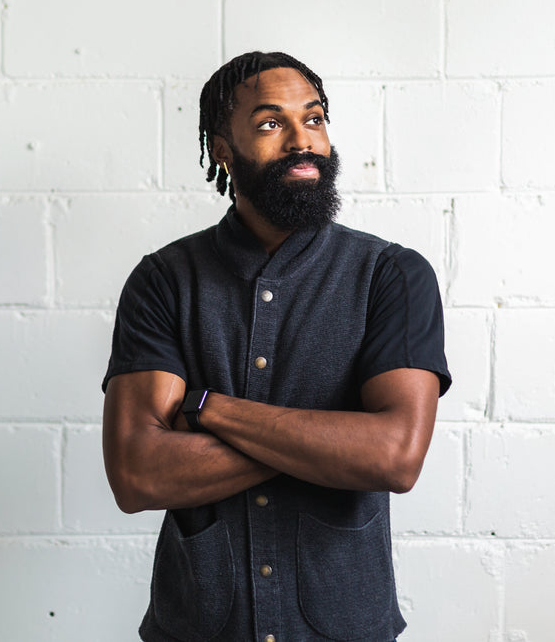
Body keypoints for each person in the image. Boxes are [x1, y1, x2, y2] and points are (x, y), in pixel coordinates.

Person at [101, 51, 451, 642]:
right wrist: (335, 440)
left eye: (313, 119)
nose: (301, 141)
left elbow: (394, 457)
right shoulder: (164, 280)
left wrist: (208, 410)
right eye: (270, 124)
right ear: (221, 148)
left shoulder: (391, 276)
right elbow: (137, 474)